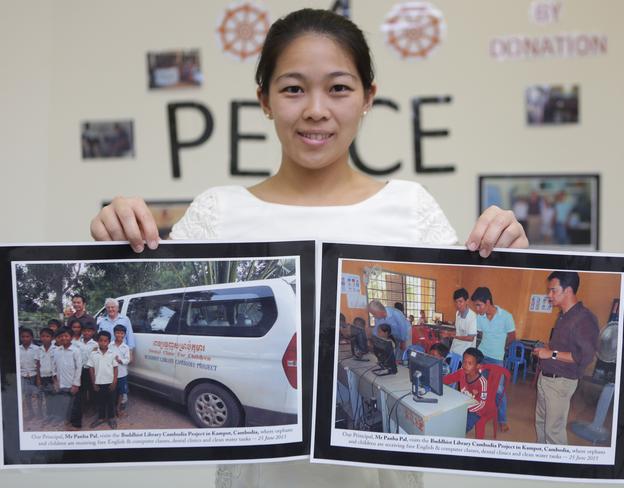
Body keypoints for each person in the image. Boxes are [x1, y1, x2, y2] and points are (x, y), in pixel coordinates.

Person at [90, 8, 527, 488]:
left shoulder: (410, 206)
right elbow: (157, 273)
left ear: (368, 98)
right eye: (293, 88)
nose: (316, 109)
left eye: (338, 87)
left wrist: (504, 243)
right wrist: (120, 235)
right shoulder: (219, 211)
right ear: (264, 99)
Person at [533, 271, 599, 445]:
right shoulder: (564, 315)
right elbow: (562, 349)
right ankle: (541, 460)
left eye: (553, 290)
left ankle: (556, 467)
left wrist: (551, 354)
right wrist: (547, 350)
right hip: (546, 378)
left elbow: (584, 357)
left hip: (560, 383)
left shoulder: (584, 318)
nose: (549, 295)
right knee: (541, 423)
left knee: (553, 431)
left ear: (568, 291)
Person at [471, 286, 516, 432]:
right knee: (480, 387)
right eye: (475, 305)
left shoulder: (506, 316)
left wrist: (501, 349)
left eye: (479, 305)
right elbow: (478, 335)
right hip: (482, 357)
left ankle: (502, 420)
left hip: (497, 359)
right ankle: (480, 412)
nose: (477, 309)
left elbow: (512, 337)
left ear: (488, 302)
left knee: (499, 390)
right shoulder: (480, 317)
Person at [443, 347, 488, 434]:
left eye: (470, 363)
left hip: (476, 410)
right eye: (464, 362)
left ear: (478, 366)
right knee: (447, 418)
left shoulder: (482, 382)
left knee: (462, 428)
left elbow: (482, 404)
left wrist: (464, 408)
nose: (465, 365)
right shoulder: (462, 372)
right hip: (464, 404)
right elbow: (447, 379)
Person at [51, 327, 83, 428]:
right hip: (61, 382)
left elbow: (79, 368)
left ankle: (76, 423)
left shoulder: (75, 351)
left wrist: (75, 384)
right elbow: (54, 366)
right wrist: (55, 381)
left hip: (72, 383)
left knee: (75, 405)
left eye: (66, 336)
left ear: (71, 337)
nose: (63, 338)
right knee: (65, 403)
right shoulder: (56, 350)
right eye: (61, 336)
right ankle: (67, 419)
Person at [88, 331, 119, 429]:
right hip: (98, 382)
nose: (103, 343)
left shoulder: (112, 353)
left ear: (109, 342)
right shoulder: (93, 354)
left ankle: (111, 418)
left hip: (110, 382)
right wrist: (94, 383)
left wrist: (114, 382)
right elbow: (91, 369)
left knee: (111, 401)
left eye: (105, 341)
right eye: (100, 340)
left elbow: (115, 368)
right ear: (97, 341)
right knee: (100, 401)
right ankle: (101, 418)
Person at [35, 327, 57, 424]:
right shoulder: (39, 349)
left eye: (47, 336)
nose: (45, 338)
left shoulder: (55, 349)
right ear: (40, 337)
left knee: (55, 396)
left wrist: (56, 379)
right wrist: (38, 379)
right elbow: (38, 365)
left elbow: (57, 364)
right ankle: (49, 415)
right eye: (43, 336)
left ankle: (56, 415)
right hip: (43, 377)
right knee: (47, 397)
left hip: (53, 377)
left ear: (52, 338)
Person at [19, 327, 40, 420]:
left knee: (39, 394)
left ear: (31, 337)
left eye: (27, 336)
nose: (25, 339)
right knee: (27, 395)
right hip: (23, 375)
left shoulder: (37, 349)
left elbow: (39, 364)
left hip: (34, 375)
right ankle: (31, 413)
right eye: (23, 337)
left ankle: (40, 413)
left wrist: (38, 377)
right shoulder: (18, 349)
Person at [449, 288, 477, 356]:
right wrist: (448, 333)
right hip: (455, 348)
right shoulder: (457, 313)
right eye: (456, 302)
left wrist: (453, 336)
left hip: (465, 353)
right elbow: (459, 331)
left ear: (467, 301)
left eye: (460, 301)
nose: (458, 304)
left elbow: (470, 338)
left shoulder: (472, 316)